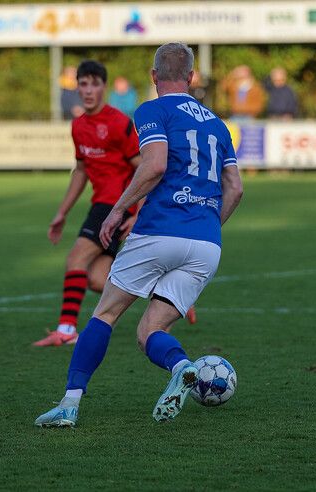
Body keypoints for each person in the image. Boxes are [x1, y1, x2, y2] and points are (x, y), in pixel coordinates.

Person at [35, 43, 243, 427]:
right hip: (207, 243)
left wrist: (117, 210)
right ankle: (183, 366)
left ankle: (69, 403)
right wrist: (209, 225)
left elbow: (155, 165)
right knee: (150, 329)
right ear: (192, 77)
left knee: (106, 313)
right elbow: (236, 189)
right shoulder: (217, 123)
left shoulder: (151, 110)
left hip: (160, 229)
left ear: (153, 76)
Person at [32, 61, 142, 347]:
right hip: (101, 206)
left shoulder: (119, 123)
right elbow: (80, 171)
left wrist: (138, 212)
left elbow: (143, 168)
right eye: (83, 84)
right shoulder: (79, 126)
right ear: (77, 86)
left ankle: (66, 329)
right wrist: (61, 213)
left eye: (94, 84)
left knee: (75, 259)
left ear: (104, 87)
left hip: (117, 206)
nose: (89, 90)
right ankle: (162, 291)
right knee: (96, 279)